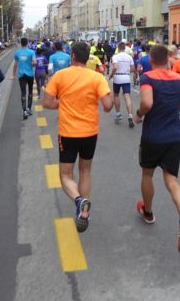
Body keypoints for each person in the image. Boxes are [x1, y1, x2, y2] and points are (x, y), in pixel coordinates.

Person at [43, 42, 113, 233]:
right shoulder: (97, 77)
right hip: (90, 132)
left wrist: (63, 103)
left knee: (65, 175)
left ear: (72, 56)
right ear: (87, 58)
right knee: (85, 170)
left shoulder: (60, 75)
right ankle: (84, 213)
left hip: (68, 133)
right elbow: (108, 105)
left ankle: (79, 201)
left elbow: (47, 103)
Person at [132, 45, 180, 253]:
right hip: (174, 137)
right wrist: (171, 106)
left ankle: (148, 212)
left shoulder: (148, 77)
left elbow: (147, 103)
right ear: (167, 59)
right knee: (172, 180)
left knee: (147, 174)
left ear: (151, 59)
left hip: (153, 137)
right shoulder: (177, 79)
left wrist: (139, 113)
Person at [110, 41, 136, 128]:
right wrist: (128, 71)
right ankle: (130, 115)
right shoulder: (129, 57)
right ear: (125, 48)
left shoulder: (115, 56)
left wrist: (111, 75)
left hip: (117, 77)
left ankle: (118, 114)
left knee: (116, 95)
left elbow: (115, 67)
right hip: (126, 77)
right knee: (127, 96)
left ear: (118, 48)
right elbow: (133, 68)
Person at [11, 37, 36, 120]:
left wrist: (13, 75)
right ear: (28, 43)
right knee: (30, 91)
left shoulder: (17, 53)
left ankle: (24, 111)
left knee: (23, 92)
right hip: (30, 74)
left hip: (21, 75)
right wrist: (32, 65)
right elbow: (34, 62)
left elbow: (15, 65)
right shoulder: (32, 52)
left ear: (21, 43)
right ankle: (29, 109)